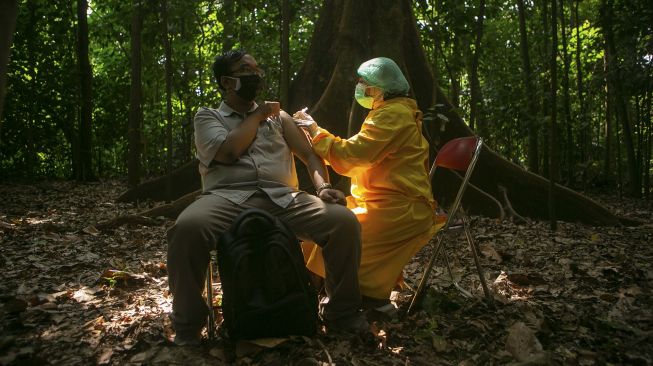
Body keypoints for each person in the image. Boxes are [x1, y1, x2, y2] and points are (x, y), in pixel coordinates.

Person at [166, 50, 368, 346]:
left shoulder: (280, 118)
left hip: (283, 198)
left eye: (256, 68)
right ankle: (187, 326)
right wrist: (259, 114)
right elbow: (229, 151)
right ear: (227, 81)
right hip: (226, 199)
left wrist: (322, 187)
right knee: (186, 229)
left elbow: (310, 155)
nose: (255, 74)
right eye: (245, 69)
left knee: (343, 222)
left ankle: (342, 312)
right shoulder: (208, 117)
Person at [295, 57, 444, 314]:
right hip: (383, 202)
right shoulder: (391, 111)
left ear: (379, 88)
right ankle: (331, 295)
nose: (360, 87)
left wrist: (315, 131)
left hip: (399, 208)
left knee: (338, 234)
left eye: (364, 82)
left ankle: (364, 301)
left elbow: (354, 156)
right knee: (318, 230)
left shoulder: (393, 115)